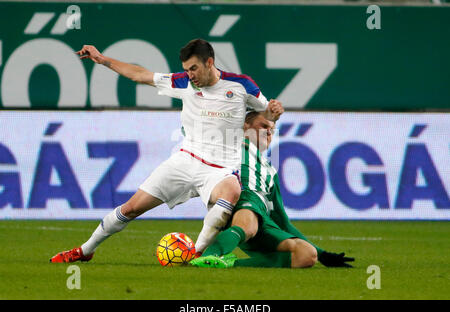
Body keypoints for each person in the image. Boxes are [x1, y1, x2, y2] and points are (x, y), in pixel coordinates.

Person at [50, 39, 284, 263]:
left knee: (231, 190)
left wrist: (274, 112)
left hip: (220, 170)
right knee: (131, 208)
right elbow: (140, 75)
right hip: (185, 162)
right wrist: (102, 59)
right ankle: (85, 250)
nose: (190, 74)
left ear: (209, 63)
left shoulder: (241, 85)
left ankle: (198, 254)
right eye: (186, 69)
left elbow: (266, 114)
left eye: (194, 68)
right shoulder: (184, 83)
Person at [190, 111, 355, 268]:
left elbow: (283, 222)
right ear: (245, 126)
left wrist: (323, 254)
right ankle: (206, 257)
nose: (269, 133)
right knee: (248, 223)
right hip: (241, 197)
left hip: (263, 217)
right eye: (263, 126)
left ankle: (228, 263)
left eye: (272, 130)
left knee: (306, 255)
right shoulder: (232, 146)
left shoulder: (269, 171)